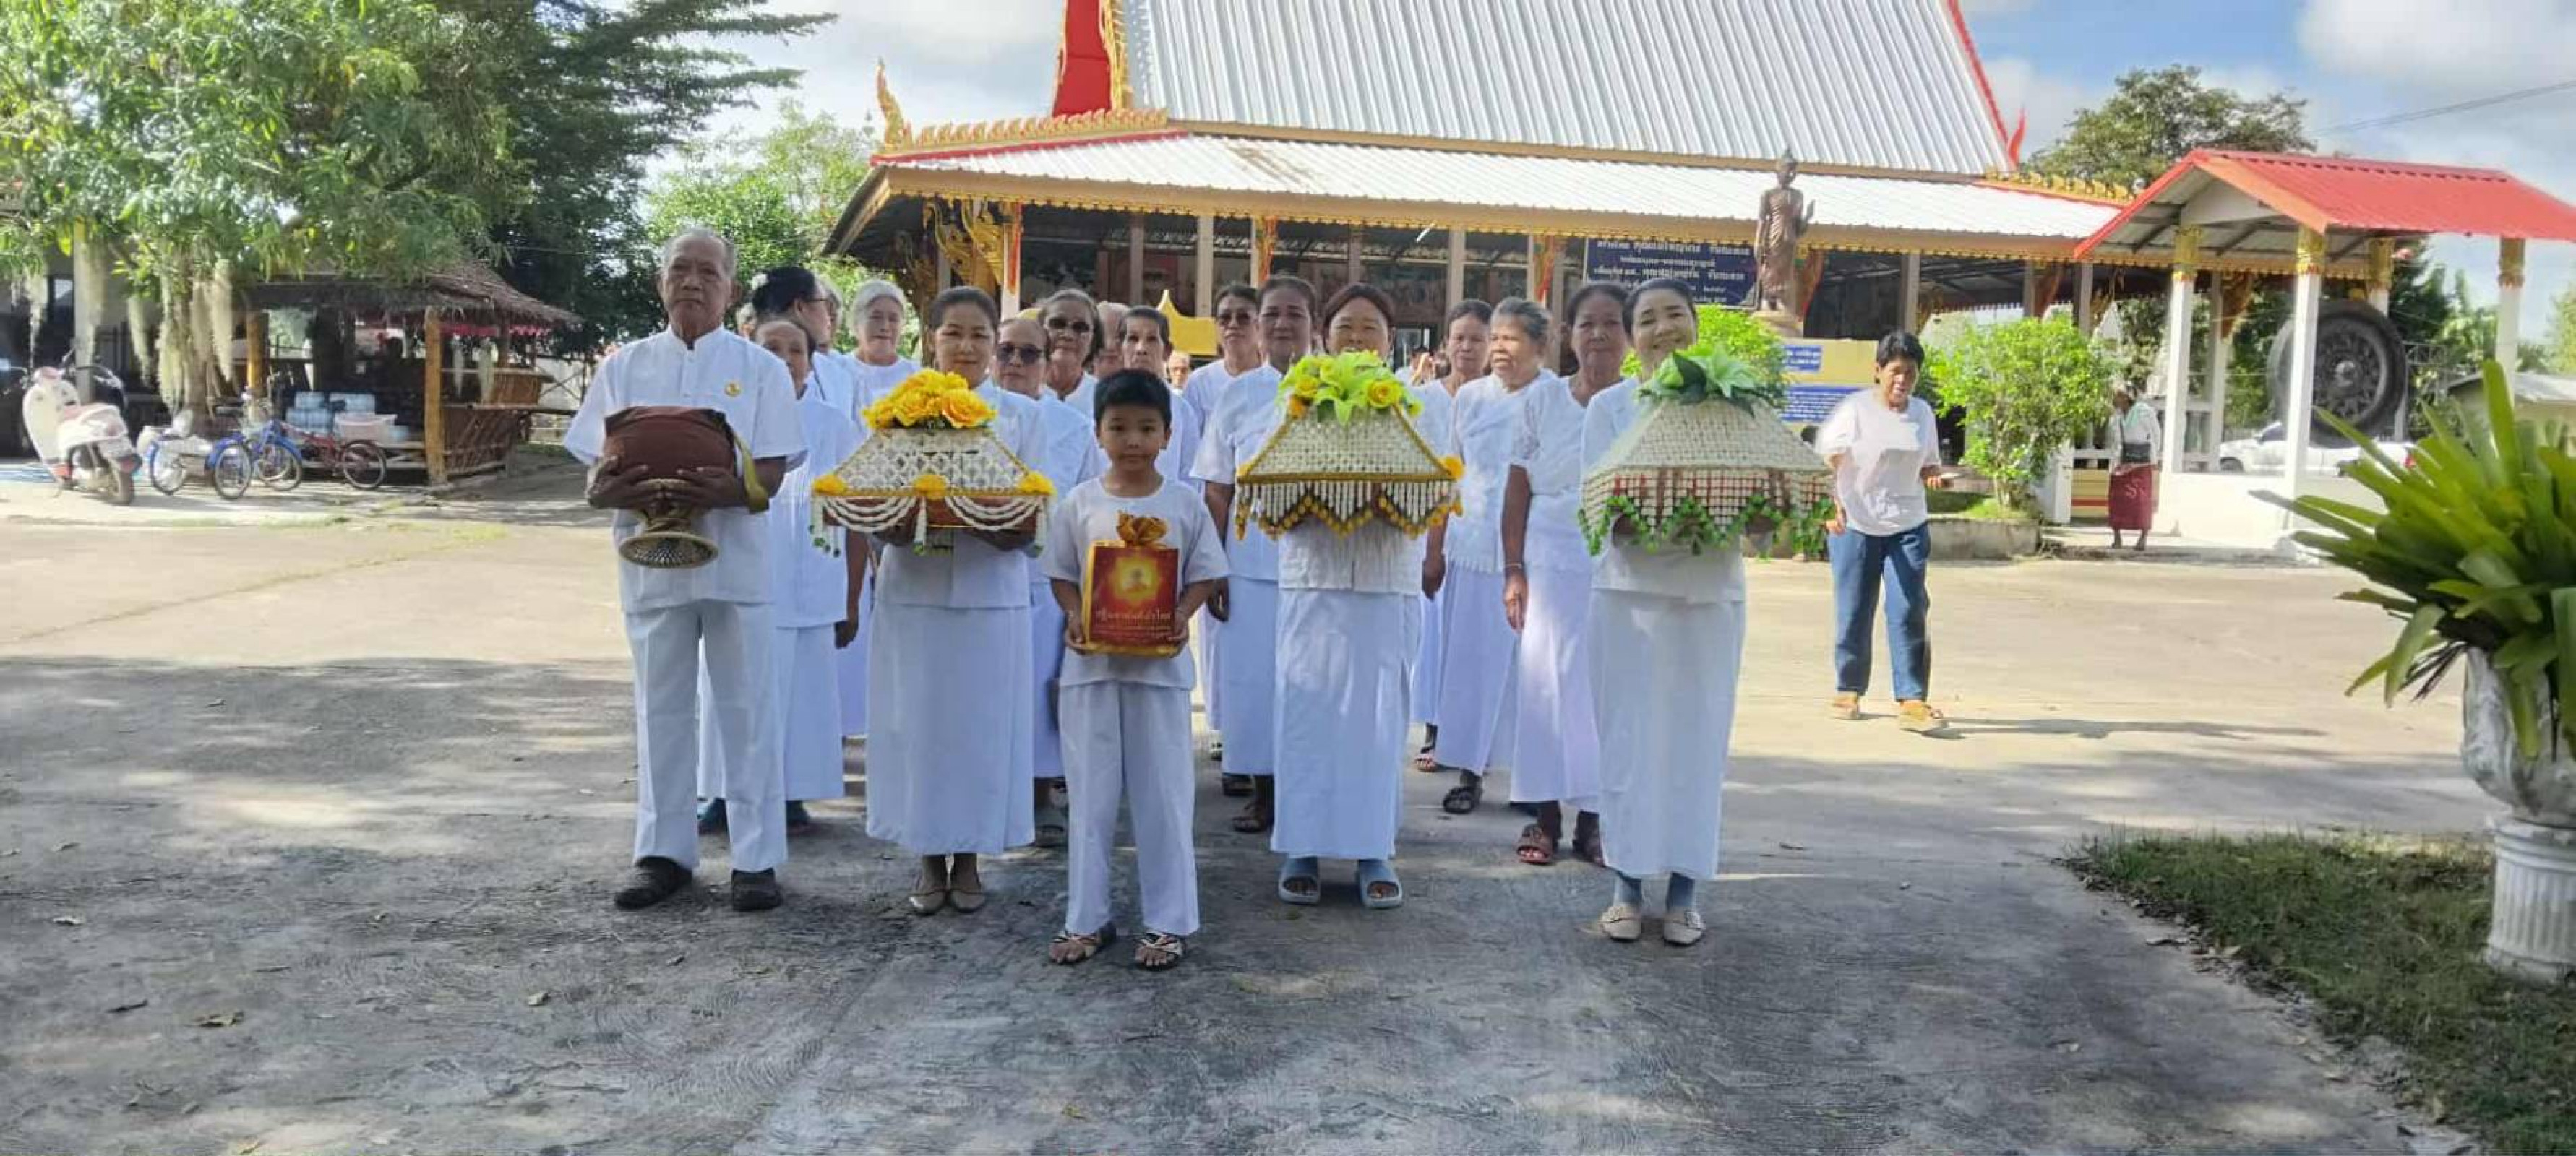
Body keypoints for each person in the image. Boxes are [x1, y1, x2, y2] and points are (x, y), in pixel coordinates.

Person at [565, 225, 803, 913]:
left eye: (707, 271)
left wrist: (723, 491)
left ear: (730, 289)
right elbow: (593, 470)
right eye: (679, 270)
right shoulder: (625, 366)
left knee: (747, 710)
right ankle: (663, 853)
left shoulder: (760, 369)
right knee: (659, 707)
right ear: (659, 281)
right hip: (650, 558)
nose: (692, 282)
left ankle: (756, 860)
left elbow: (774, 469)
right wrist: (613, 493)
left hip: (737, 564)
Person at [867, 285, 1047, 915]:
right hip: (912, 592)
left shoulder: (1021, 417)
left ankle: (968, 858)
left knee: (977, 731)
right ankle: (924, 856)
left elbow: (1034, 518)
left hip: (990, 598)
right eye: (954, 333)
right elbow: (872, 506)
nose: (967, 347)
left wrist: (970, 516)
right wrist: (902, 517)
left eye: (979, 336)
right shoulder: (895, 412)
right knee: (917, 727)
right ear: (931, 340)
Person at [1042, 370, 1229, 970]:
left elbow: (1206, 571)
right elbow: (1062, 574)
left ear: (1168, 435)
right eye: (1119, 427)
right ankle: (1087, 919)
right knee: (1091, 800)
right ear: (1098, 433)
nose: (1132, 440)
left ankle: (1169, 923)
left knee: (1165, 797)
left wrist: (1181, 615)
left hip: (1159, 671)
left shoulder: (1183, 502)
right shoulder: (1080, 502)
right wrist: (1074, 616)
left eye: (1146, 428)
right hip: (1091, 668)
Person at [1271, 281, 1446, 909]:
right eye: (1345, 326)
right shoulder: (1294, 400)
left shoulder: (1414, 406)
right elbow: (1266, 486)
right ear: (1324, 335)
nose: (1356, 338)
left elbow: (1439, 489)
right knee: (1308, 717)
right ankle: (1303, 848)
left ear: (1390, 341)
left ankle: (1375, 849)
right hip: (1312, 580)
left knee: (1377, 722)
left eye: (1369, 328)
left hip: (1385, 583)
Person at [1584, 277, 1736, 947]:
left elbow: (1760, 507)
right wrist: (1656, 516)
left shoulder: (1736, 402)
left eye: (1676, 314)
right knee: (1630, 742)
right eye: (1648, 319)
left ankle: (1684, 894)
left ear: (1697, 327)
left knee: (1696, 745)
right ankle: (1625, 887)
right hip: (1629, 596)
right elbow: (1597, 509)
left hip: (1710, 596)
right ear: (1630, 336)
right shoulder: (1612, 408)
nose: (1664, 328)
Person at [695, 316, 863, 837]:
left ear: (812, 363)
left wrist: (852, 598)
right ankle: (723, 793)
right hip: (737, 578)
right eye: (773, 347)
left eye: (797, 349)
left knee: (800, 694)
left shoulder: (835, 425)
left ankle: (790, 793)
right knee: (731, 687)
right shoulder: (725, 419)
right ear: (751, 353)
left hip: (810, 584)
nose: (786, 358)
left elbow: (857, 515)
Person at [1496, 285, 1623, 868]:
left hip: (1616, 559)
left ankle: (1594, 823)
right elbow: (1516, 490)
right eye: (1586, 324)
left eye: (1611, 324)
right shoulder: (1540, 403)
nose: (1598, 335)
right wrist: (1514, 570)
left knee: (1600, 691)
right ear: (1568, 336)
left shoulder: (1640, 404)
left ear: (1628, 336)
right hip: (1547, 561)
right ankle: (1544, 818)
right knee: (1545, 688)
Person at [1435, 298, 1560, 816]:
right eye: (1496, 337)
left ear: (1540, 346)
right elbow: (1450, 474)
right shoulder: (1470, 398)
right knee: (1468, 664)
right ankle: (1468, 771)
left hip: (1534, 551)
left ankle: (1530, 781)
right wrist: (1433, 549)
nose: (1500, 347)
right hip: (1469, 546)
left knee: (1530, 671)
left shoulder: (1556, 398)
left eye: (1512, 338)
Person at [1193, 277, 1305, 834]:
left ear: (1314, 326)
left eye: (1296, 314)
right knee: (1255, 684)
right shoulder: (1237, 394)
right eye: (1274, 315)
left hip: (1316, 561)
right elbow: (1217, 486)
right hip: (1249, 554)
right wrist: (1214, 564)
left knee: (1307, 683)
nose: (1284, 324)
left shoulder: (1334, 390)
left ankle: (1307, 794)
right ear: (1259, 328)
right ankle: (1264, 793)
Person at [997, 314, 1104, 848]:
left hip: (1048, 578)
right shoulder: (969, 415)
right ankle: (993, 796)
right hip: (985, 574)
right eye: (1007, 352)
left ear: (1048, 360)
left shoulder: (1073, 426)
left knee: (1042, 693)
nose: (1016, 363)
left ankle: (1042, 797)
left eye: (1029, 354)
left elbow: (1090, 502)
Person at [1819, 330, 1949, 735]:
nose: (1902, 381)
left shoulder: (1923, 413)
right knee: (1854, 608)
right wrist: (1829, 504)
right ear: (1877, 371)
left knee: (1909, 608)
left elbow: (1928, 463)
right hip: (1856, 523)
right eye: (1895, 372)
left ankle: (1912, 699)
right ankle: (1848, 688)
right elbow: (1828, 462)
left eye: (1910, 373)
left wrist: (1933, 477)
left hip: (1907, 524)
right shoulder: (1854, 411)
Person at [1183, 283, 1271, 797]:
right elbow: (1210, 471)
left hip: (1283, 546)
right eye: (1226, 317)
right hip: (1226, 521)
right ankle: (1234, 746)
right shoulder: (1203, 384)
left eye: (1245, 316)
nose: (1235, 325)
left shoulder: (1297, 384)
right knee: (1236, 658)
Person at [1406, 301, 1490, 772]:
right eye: (1459, 337)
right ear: (1444, 346)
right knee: (1434, 638)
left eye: (1477, 338)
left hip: (1480, 532)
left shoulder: (1500, 400)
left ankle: (1474, 738)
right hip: (1431, 527)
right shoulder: (1424, 400)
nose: (1467, 347)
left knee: (1472, 640)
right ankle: (1436, 732)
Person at [838, 280, 917, 744]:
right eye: (875, 316)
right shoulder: (836, 371)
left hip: (900, 511)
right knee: (849, 613)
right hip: (848, 505)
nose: (884, 326)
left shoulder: (919, 379)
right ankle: (844, 722)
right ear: (856, 323)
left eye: (893, 318)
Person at [750, 267, 859, 418]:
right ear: (800, 307)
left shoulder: (839, 375)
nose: (829, 317)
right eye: (825, 304)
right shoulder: (750, 364)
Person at [1116, 306, 1202, 491]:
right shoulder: (1102, 406)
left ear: (1167, 350)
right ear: (1119, 347)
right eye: (1133, 339)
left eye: (1151, 340)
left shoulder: (1182, 411)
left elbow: (1191, 478)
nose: (1141, 349)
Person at [1039, 288, 1104, 416]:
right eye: (1058, 324)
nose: (1068, 335)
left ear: (1094, 338)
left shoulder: (1105, 398)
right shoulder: (1023, 391)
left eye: (1080, 327)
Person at [2108, 389, 2159, 551]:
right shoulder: (2116, 415)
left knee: (2142, 501)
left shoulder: (2144, 411)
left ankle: (2143, 537)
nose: (2114, 399)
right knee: (2117, 500)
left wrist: (2154, 458)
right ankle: (2117, 537)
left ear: (2125, 397)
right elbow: (2114, 441)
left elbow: (2155, 434)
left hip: (2142, 462)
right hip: (2122, 461)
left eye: (2117, 395)